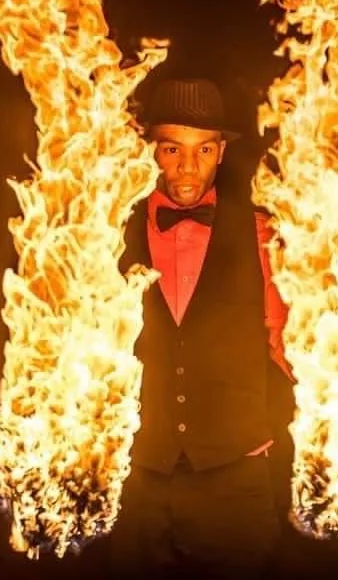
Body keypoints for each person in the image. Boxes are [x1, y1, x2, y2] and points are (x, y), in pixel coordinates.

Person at [109, 78, 295, 579]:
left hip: (237, 479)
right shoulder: (103, 234)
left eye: (203, 149)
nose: (188, 166)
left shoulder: (264, 233)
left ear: (220, 153)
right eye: (172, 148)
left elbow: (294, 347)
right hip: (136, 476)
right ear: (150, 150)